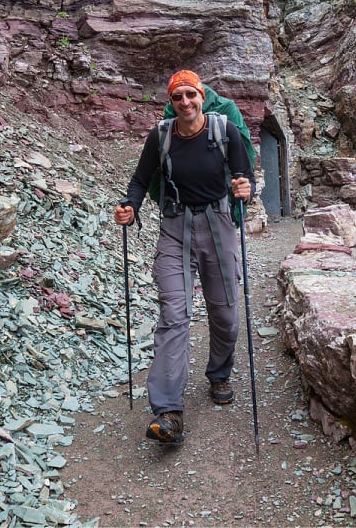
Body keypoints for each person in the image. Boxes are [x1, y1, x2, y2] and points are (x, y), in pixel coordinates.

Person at [114, 70, 255, 445]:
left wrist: (246, 188)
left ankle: (219, 373)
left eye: (191, 95)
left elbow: (244, 177)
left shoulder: (226, 132)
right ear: (171, 101)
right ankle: (168, 411)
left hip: (218, 223)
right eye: (178, 98)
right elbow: (141, 180)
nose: (185, 103)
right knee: (174, 314)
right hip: (175, 227)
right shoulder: (161, 136)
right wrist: (129, 205)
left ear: (202, 96)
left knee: (224, 311)